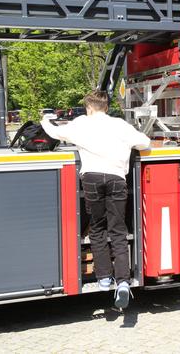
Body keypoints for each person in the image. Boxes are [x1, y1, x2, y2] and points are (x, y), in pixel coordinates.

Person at [41, 91, 150, 309]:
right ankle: (123, 283)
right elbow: (144, 143)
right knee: (118, 230)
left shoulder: (81, 123)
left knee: (98, 228)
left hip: (91, 179)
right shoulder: (120, 125)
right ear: (106, 107)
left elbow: (54, 132)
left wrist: (45, 119)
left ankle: (103, 278)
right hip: (117, 179)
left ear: (89, 108)